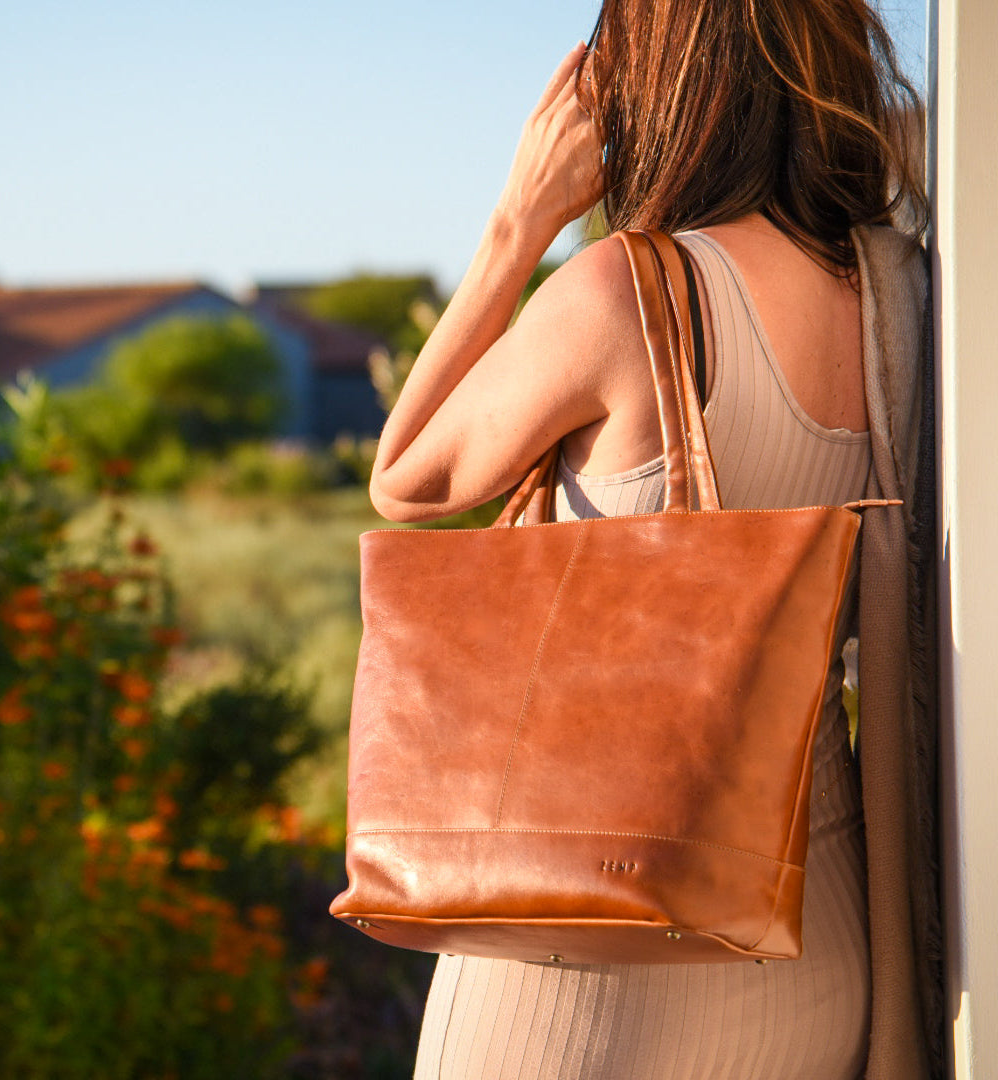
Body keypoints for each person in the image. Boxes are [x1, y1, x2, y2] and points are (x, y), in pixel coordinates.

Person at [368, 2, 939, 1077]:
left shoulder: (626, 291)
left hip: (596, 956)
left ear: (651, 90)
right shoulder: (899, 297)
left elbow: (408, 478)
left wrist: (517, 222)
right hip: (819, 934)